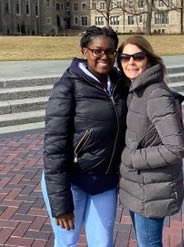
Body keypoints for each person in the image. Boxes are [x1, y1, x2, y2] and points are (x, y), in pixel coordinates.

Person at [41, 26, 128, 247]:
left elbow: (146, 86)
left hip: (105, 181)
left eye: (110, 52)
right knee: (67, 241)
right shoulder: (67, 86)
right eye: (97, 50)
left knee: (103, 243)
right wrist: (61, 204)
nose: (104, 57)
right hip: (72, 181)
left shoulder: (119, 83)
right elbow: (54, 148)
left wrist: (170, 98)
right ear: (85, 51)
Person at [117, 35, 184, 247]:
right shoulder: (136, 89)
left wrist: (132, 157)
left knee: (149, 244)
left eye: (137, 56)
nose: (131, 62)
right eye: (124, 57)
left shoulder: (155, 94)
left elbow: (176, 148)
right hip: (140, 186)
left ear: (149, 59)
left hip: (151, 189)